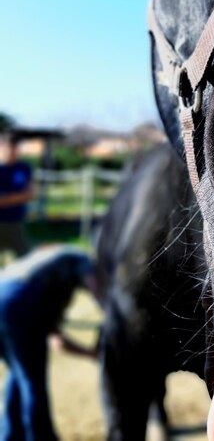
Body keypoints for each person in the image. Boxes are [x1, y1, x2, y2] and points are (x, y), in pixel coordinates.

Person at [0, 245, 101, 441]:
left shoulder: (43, 272)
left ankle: (11, 435)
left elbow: (58, 341)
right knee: (32, 380)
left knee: (18, 371)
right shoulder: (80, 257)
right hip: (18, 301)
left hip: (3, 296)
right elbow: (99, 293)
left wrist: (90, 354)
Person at [0, 135, 34, 258]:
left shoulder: (24, 168)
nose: (11, 150)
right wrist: (18, 197)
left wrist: (7, 198)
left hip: (16, 221)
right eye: (8, 147)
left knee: (25, 259)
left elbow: (30, 194)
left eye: (14, 147)